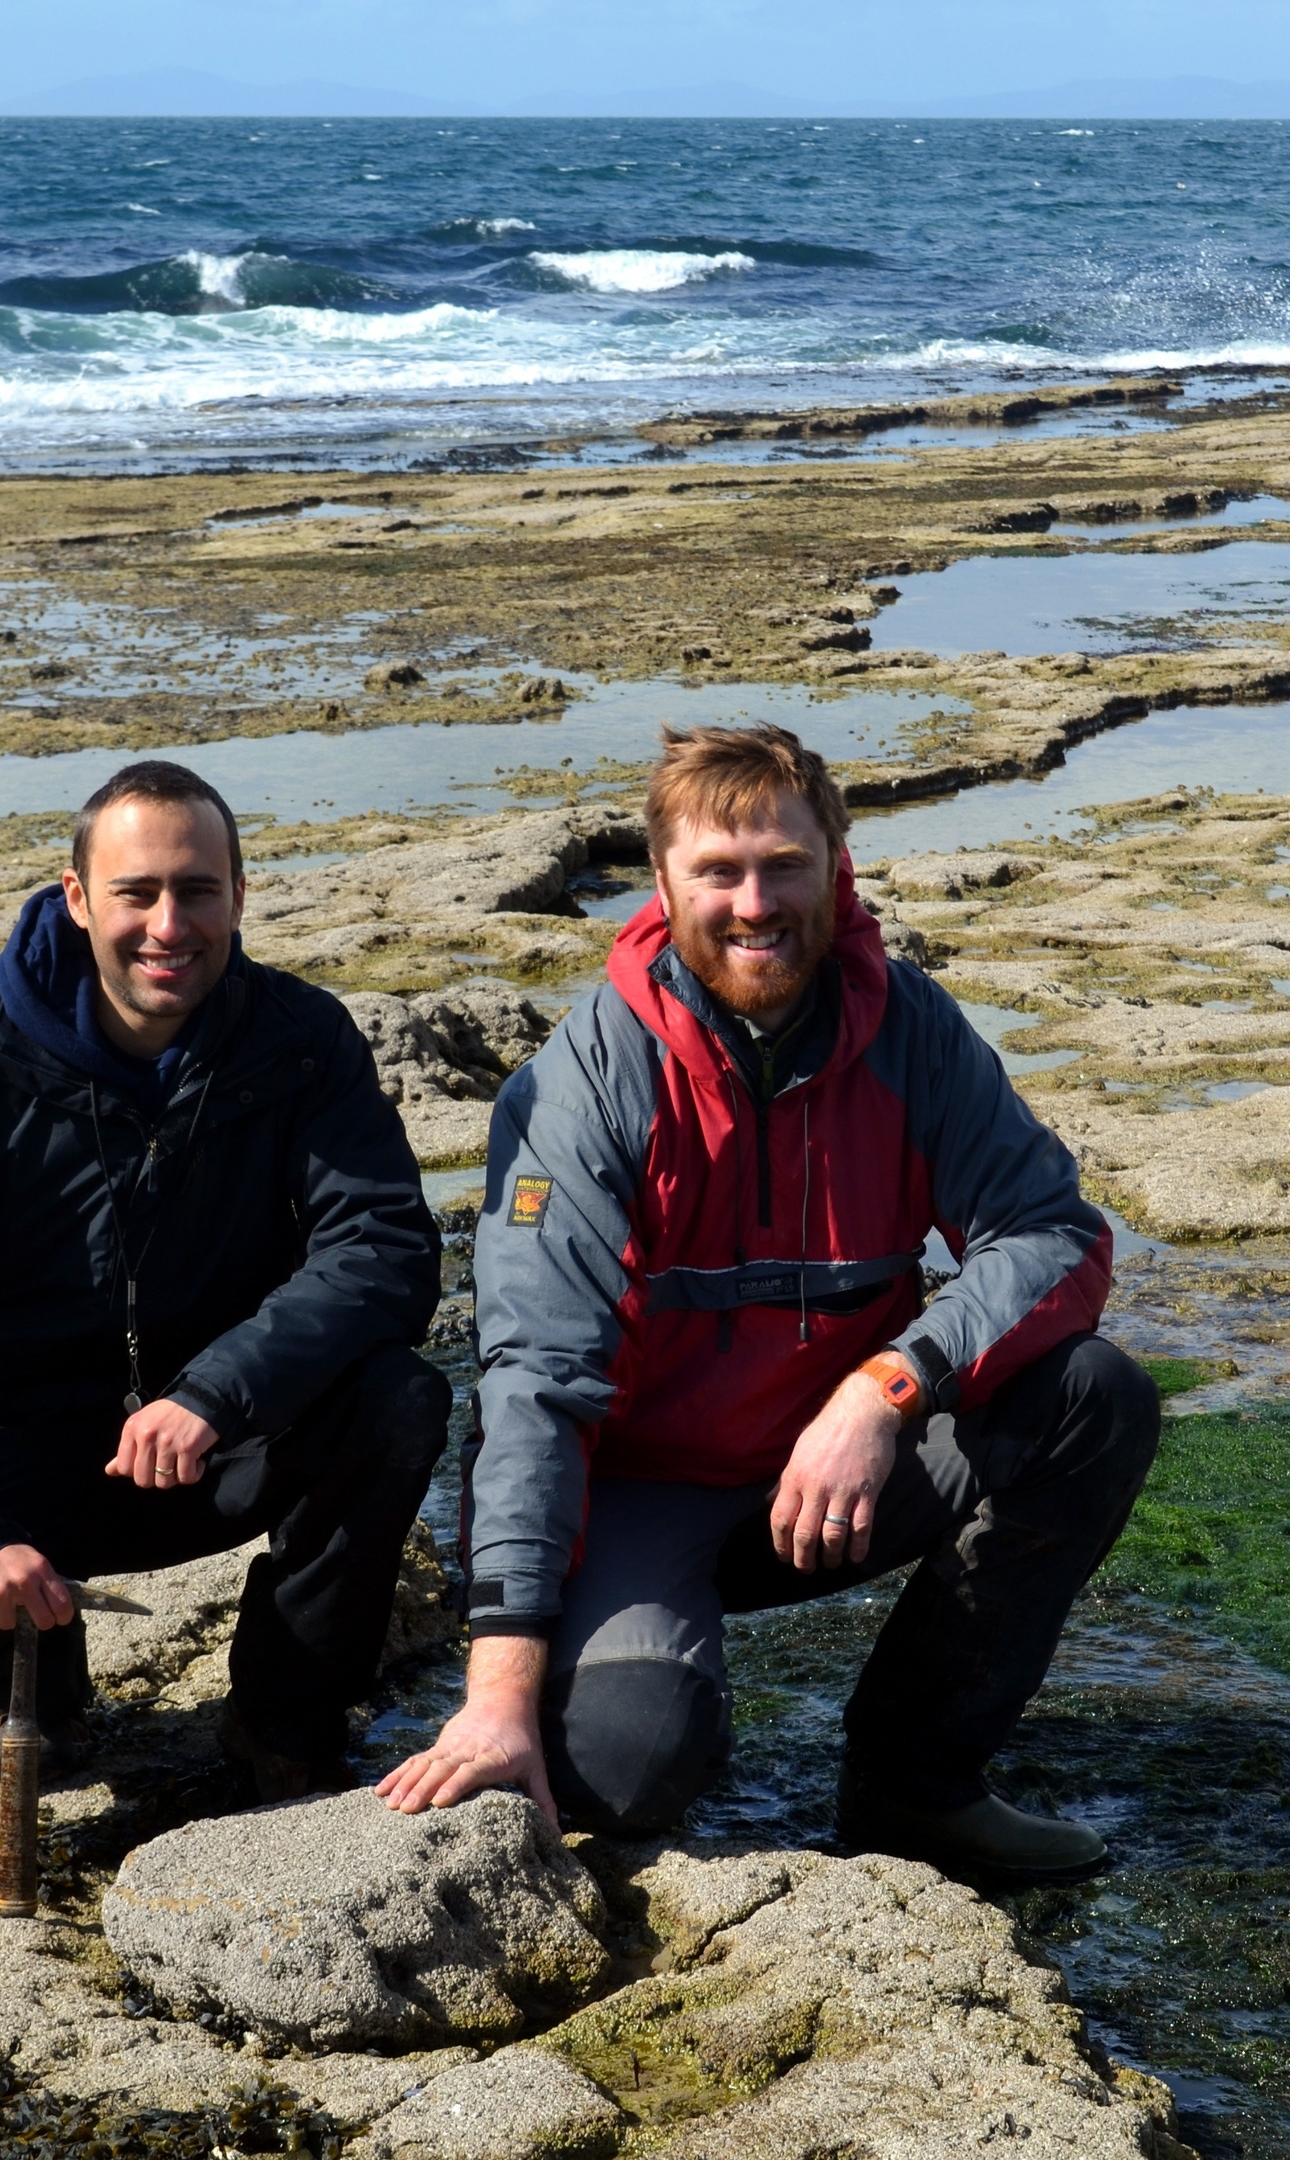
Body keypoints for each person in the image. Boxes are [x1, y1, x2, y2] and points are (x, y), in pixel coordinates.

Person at [379, 724, 1159, 1879]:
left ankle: (918, 1788)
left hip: (840, 1477)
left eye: (786, 866)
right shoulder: (585, 1084)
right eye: (720, 872)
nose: (757, 904)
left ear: (836, 865)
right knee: (626, 1776)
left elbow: (1051, 1236)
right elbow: (534, 1387)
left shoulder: (911, 1029)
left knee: (1095, 1398)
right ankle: (644, 1681)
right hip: (639, 1495)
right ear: (662, 883)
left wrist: (888, 1388)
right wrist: (498, 1691)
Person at [0, 758, 448, 1797]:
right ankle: (40, 1686)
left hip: (210, 1441)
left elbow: (384, 1250)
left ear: (239, 894)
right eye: (136, 893)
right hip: (20, 1460)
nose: (168, 925)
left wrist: (218, 1389)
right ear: (77, 899)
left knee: (398, 1399)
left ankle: (287, 1716)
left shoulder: (298, 1041)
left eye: (197, 891)